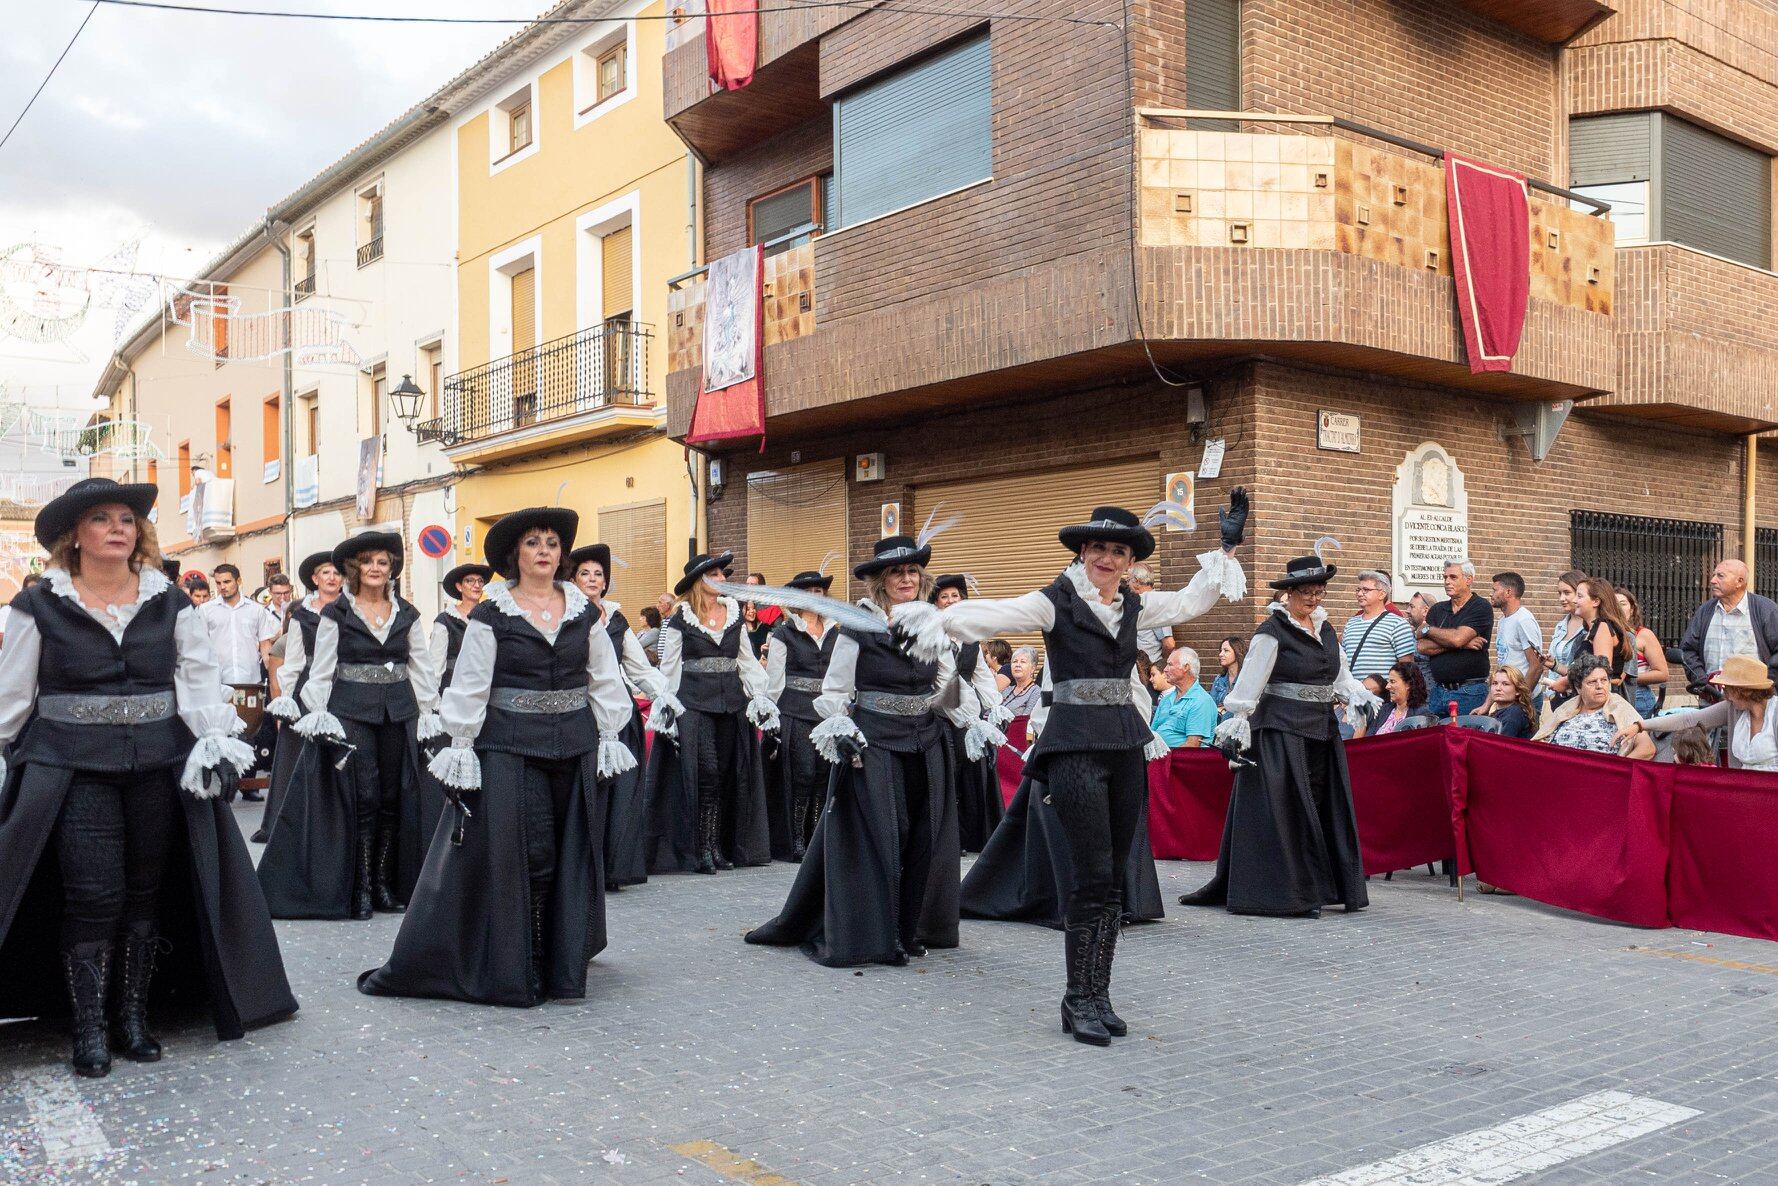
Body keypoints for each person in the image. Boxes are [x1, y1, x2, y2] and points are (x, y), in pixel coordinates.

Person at [0, 478, 295, 1078]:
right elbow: (13, 697)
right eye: (103, 518)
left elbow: (196, 677)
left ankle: (133, 1018)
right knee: (93, 895)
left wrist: (212, 740)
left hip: (158, 766)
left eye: (128, 520)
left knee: (144, 893)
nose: (118, 527)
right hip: (72, 767)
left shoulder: (170, 602)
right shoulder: (39, 606)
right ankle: (89, 1028)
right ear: (73, 536)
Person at [938, 495, 1249, 1045]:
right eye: (1099, 548)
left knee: (1110, 879)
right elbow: (995, 613)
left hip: (1124, 747)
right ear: (1083, 552)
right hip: (1074, 750)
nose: (1107, 559)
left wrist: (1225, 547)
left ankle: (1099, 993)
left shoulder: (1136, 606)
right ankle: (1076, 998)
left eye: (1118, 551)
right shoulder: (1054, 602)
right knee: (1087, 877)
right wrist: (932, 619)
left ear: (1130, 561)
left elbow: (1191, 602)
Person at [360, 508, 638, 1006]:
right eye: (533, 543)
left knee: (570, 852)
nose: (544, 551)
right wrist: (460, 746)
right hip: (509, 747)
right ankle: (524, 965)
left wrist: (612, 732)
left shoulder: (583, 613)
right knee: (532, 855)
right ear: (517, 555)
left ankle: (562, 964)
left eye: (552, 543)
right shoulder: (492, 612)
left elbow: (604, 677)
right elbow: (470, 683)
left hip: (574, 746)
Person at [746, 532, 967, 968]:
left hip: (925, 741)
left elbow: (947, 685)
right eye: (896, 572)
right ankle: (878, 931)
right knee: (890, 833)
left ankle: (908, 929)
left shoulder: (933, 625)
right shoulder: (858, 626)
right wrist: (841, 725)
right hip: (876, 742)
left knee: (923, 837)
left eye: (911, 571)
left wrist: (968, 719)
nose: (905, 578)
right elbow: (834, 690)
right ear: (881, 581)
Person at [1183, 548, 1380, 921]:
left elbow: (1338, 675)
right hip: (1280, 732)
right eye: (1306, 590)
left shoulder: (1324, 628)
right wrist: (1239, 722)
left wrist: (1356, 695)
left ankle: (1325, 887)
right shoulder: (1271, 632)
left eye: (1319, 590)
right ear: (1288, 593)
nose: (1313, 597)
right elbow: (1249, 684)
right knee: (1287, 812)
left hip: (1320, 731)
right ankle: (1287, 894)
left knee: (1323, 807)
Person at [260, 532, 444, 920]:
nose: (376, 568)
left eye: (383, 562)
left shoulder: (407, 613)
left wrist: (430, 711)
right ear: (355, 569)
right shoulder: (336, 613)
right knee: (366, 797)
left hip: (399, 711)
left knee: (394, 797)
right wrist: (318, 711)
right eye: (368, 561)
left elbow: (421, 666)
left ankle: (381, 883)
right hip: (351, 711)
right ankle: (359, 886)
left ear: (392, 568)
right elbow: (322, 668)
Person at [643, 552, 777, 874]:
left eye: (721, 574)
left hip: (731, 706)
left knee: (728, 775)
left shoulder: (733, 616)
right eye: (715, 574)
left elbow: (745, 661)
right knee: (707, 775)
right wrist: (668, 707)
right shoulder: (680, 619)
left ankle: (718, 847)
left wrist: (760, 696)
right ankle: (702, 848)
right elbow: (670, 668)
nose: (721, 579)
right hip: (695, 707)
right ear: (699, 582)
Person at [568, 542, 664, 891]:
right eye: (585, 574)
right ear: (574, 579)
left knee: (620, 790)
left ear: (605, 582)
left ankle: (613, 866)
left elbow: (639, 667)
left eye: (598, 574)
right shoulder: (568, 613)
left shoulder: (617, 619)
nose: (593, 579)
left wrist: (663, 695)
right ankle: (583, 868)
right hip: (580, 710)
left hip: (618, 713)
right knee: (587, 791)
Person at [255, 551, 345, 844]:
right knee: (296, 755)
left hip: (341, 684)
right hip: (307, 688)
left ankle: (333, 823)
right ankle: (286, 823)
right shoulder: (302, 615)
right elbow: (291, 661)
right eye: (325, 573)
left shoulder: (351, 609)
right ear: (315, 579)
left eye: (336, 572)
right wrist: (286, 701)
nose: (332, 577)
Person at [761, 569, 841, 862]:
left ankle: (815, 838)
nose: (813, 596)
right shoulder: (784, 632)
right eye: (807, 592)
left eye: (818, 591)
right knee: (803, 775)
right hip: (795, 712)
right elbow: (774, 679)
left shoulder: (837, 630)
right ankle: (795, 840)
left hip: (828, 714)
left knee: (823, 776)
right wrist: (772, 716)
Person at [930, 573, 1012, 854]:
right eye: (944, 596)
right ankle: (945, 839)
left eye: (955, 596)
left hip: (966, 717)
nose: (951, 601)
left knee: (968, 773)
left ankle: (967, 836)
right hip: (939, 714)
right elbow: (943, 680)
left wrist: (994, 707)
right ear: (936, 602)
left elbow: (982, 677)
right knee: (946, 775)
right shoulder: (932, 634)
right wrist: (966, 714)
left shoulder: (970, 637)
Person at [197, 564, 280, 803]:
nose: (223, 587)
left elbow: (265, 644)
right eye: (219, 583)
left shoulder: (256, 611)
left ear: (238, 581)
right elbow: (200, 645)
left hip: (249, 681)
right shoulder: (206, 611)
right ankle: (223, 784)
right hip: (218, 683)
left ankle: (248, 785)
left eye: (227, 582)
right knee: (221, 732)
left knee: (249, 733)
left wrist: (270, 668)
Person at [1618, 653, 1778, 770]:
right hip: (1743, 792)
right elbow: (1688, 719)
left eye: (1728, 688)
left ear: (1744, 691)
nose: (1725, 694)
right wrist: (1640, 725)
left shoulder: (1774, 712)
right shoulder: (1732, 708)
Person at [1680, 560, 1778, 701]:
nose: (1713, 580)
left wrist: (1767, 683)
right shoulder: (1705, 611)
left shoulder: (1765, 610)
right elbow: (1687, 650)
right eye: (1713, 575)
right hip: (1711, 700)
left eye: (1720, 576)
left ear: (1739, 581)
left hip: (1754, 702)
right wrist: (1702, 680)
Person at [1415, 560, 1493, 716]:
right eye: (1445, 577)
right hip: (1438, 691)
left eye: (1453, 577)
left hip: (1469, 692)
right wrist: (1463, 645)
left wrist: (1428, 629)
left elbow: (1457, 638)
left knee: (1465, 738)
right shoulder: (1438, 609)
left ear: (1469, 579)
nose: (1447, 582)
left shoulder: (1480, 606)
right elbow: (1422, 647)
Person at [1536, 653, 1653, 756]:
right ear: (1578, 687)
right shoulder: (1567, 708)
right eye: (1592, 682)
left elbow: (1647, 749)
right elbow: (1542, 739)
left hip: (1600, 775)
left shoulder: (1620, 707)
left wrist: (1617, 769)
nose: (1599, 686)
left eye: (1604, 680)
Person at [1342, 569, 1417, 680]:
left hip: (1384, 694)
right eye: (1358, 589)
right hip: (1353, 695)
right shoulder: (1350, 624)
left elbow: (1407, 668)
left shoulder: (1398, 624)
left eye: (1366, 590)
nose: (1359, 593)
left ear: (1382, 594)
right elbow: (1343, 661)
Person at [1573, 576, 1634, 700]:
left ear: (1596, 601)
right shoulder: (1593, 629)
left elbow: (1601, 673)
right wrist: (1554, 665)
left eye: (1579, 596)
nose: (1574, 600)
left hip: (1601, 704)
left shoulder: (1603, 627)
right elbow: (1583, 671)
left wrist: (1563, 683)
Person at [1536, 570, 1589, 711]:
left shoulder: (1590, 628)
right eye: (1559, 593)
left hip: (1577, 697)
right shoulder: (1560, 625)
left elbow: (1584, 669)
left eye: (1567, 592)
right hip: (1556, 695)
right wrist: (1551, 663)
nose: (1562, 598)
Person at [1617, 588, 1669, 718]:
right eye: (1614, 604)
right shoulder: (1605, 634)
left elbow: (1662, 673)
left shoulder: (1644, 635)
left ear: (1632, 609)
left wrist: (1629, 678)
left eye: (1623, 604)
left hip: (1639, 698)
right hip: (1613, 698)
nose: (1618, 608)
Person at [1151, 647, 1218, 748]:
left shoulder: (1201, 701)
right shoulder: (1166, 699)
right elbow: (1152, 734)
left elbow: (1192, 746)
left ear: (1186, 667)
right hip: (1158, 757)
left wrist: (1164, 757)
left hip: (1180, 761)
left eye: (1170, 664)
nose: (1165, 669)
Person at [1489, 572, 1543, 687]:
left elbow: (1536, 666)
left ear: (1508, 592)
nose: (1491, 594)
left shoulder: (1524, 620)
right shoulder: (1502, 620)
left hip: (1522, 697)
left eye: (1495, 590)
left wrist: (1522, 698)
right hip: (1507, 694)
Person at [1352, 658, 1426, 738]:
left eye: (1392, 681)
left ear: (1408, 684)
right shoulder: (1383, 710)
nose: (1387, 686)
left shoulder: (1422, 714)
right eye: (1388, 682)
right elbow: (1368, 741)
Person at [1127, 564, 1175, 671]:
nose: (1127, 584)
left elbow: (1169, 644)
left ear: (1136, 581)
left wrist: (1159, 667)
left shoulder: (1154, 604)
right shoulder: (1142, 602)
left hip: (1149, 670)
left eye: (1128, 580)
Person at [1475, 665, 1535, 739]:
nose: (1498, 688)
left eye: (1505, 684)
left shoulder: (1514, 714)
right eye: (1494, 683)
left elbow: (1500, 745)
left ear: (1518, 690)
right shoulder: (1500, 711)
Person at [1001, 646, 1043, 717]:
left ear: (1033, 668)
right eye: (1015, 661)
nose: (1017, 665)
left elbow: (1026, 720)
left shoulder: (1036, 692)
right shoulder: (1007, 690)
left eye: (1023, 662)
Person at [1210, 635, 1244, 720]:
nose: (1221, 654)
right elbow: (1211, 706)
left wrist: (1223, 709)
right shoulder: (1219, 680)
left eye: (1226, 651)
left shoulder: (1246, 679)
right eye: (1221, 651)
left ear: (1237, 652)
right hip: (1219, 726)